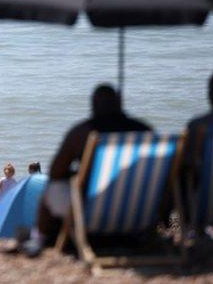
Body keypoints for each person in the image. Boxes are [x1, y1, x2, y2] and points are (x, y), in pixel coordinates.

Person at [26, 84, 152, 256]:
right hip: (141, 210)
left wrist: (77, 174)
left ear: (92, 105)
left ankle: (40, 238)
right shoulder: (145, 131)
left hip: (91, 213)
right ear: (120, 102)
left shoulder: (81, 132)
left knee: (51, 189)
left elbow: (55, 172)